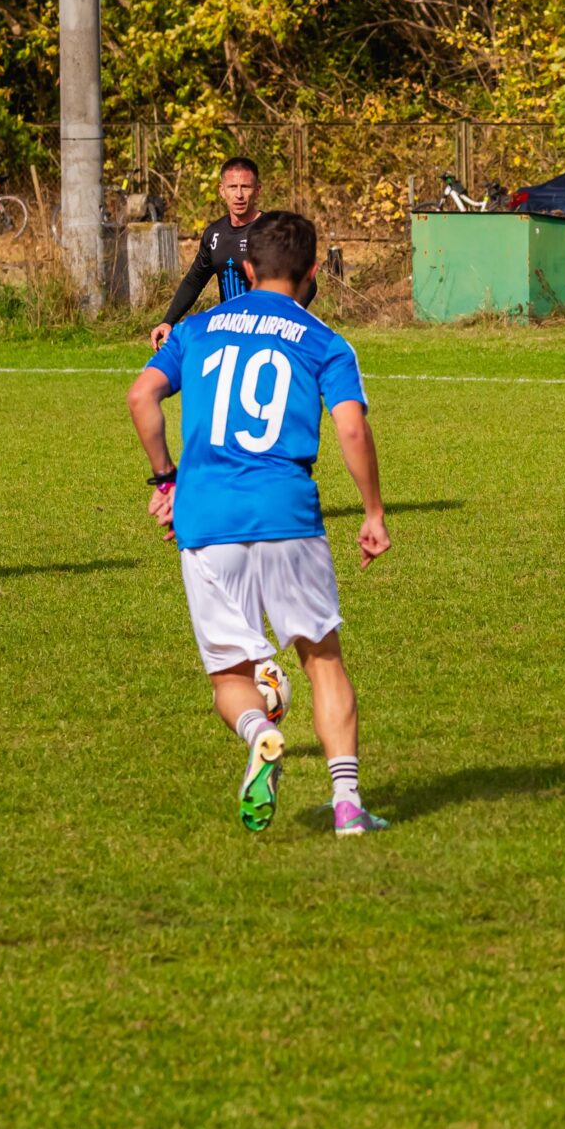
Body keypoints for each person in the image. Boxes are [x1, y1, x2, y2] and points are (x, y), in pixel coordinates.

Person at [126, 210, 393, 836]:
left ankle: (259, 733)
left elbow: (140, 397)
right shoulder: (325, 341)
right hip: (287, 514)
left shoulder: (196, 329)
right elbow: (351, 428)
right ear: (312, 271)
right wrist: (373, 511)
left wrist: (167, 479)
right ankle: (347, 805)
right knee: (322, 661)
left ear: (246, 269)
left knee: (231, 677)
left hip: (207, 518)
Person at [148, 155, 315, 350]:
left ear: (258, 190)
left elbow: (308, 284)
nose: (239, 195)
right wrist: (168, 321)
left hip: (269, 337)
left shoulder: (273, 232)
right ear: (222, 191)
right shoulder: (214, 234)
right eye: (233, 187)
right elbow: (195, 280)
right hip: (230, 336)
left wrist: (282, 320)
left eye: (245, 187)